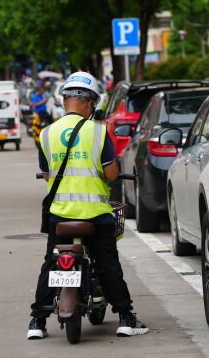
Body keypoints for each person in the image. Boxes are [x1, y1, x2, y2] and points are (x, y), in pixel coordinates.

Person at [28, 71, 148, 339]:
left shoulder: (47, 133)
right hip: (95, 215)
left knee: (51, 262)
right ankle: (126, 317)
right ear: (90, 102)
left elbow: (48, 175)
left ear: (64, 100)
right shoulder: (98, 132)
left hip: (59, 215)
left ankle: (37, 322)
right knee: (107, 264)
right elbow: (112, 175)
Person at [30, 84, 52, 150]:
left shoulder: (41, 96)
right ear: (39, 90)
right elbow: (35, 105)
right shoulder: (35, 96)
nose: (43, 91)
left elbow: (43, 103)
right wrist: (43, 101)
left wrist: (46, 100)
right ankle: (38, 143)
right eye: (42, 90)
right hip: (39, 115)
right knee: (39, 129)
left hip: (44, 113)